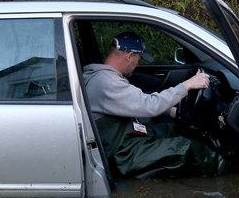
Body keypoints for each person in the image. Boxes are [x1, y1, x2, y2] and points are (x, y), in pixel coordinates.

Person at [83, 31, 223, 178]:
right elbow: (150, 105)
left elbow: (135, 101)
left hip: (126, 141)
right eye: (138, 58)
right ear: (129, 56)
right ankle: (222, 176)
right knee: (187, 148)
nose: (138, 64)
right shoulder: (105, 82)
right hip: (122, 155)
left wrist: (169, 111)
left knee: (170, 129)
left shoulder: (106, 77)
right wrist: (187, 85)